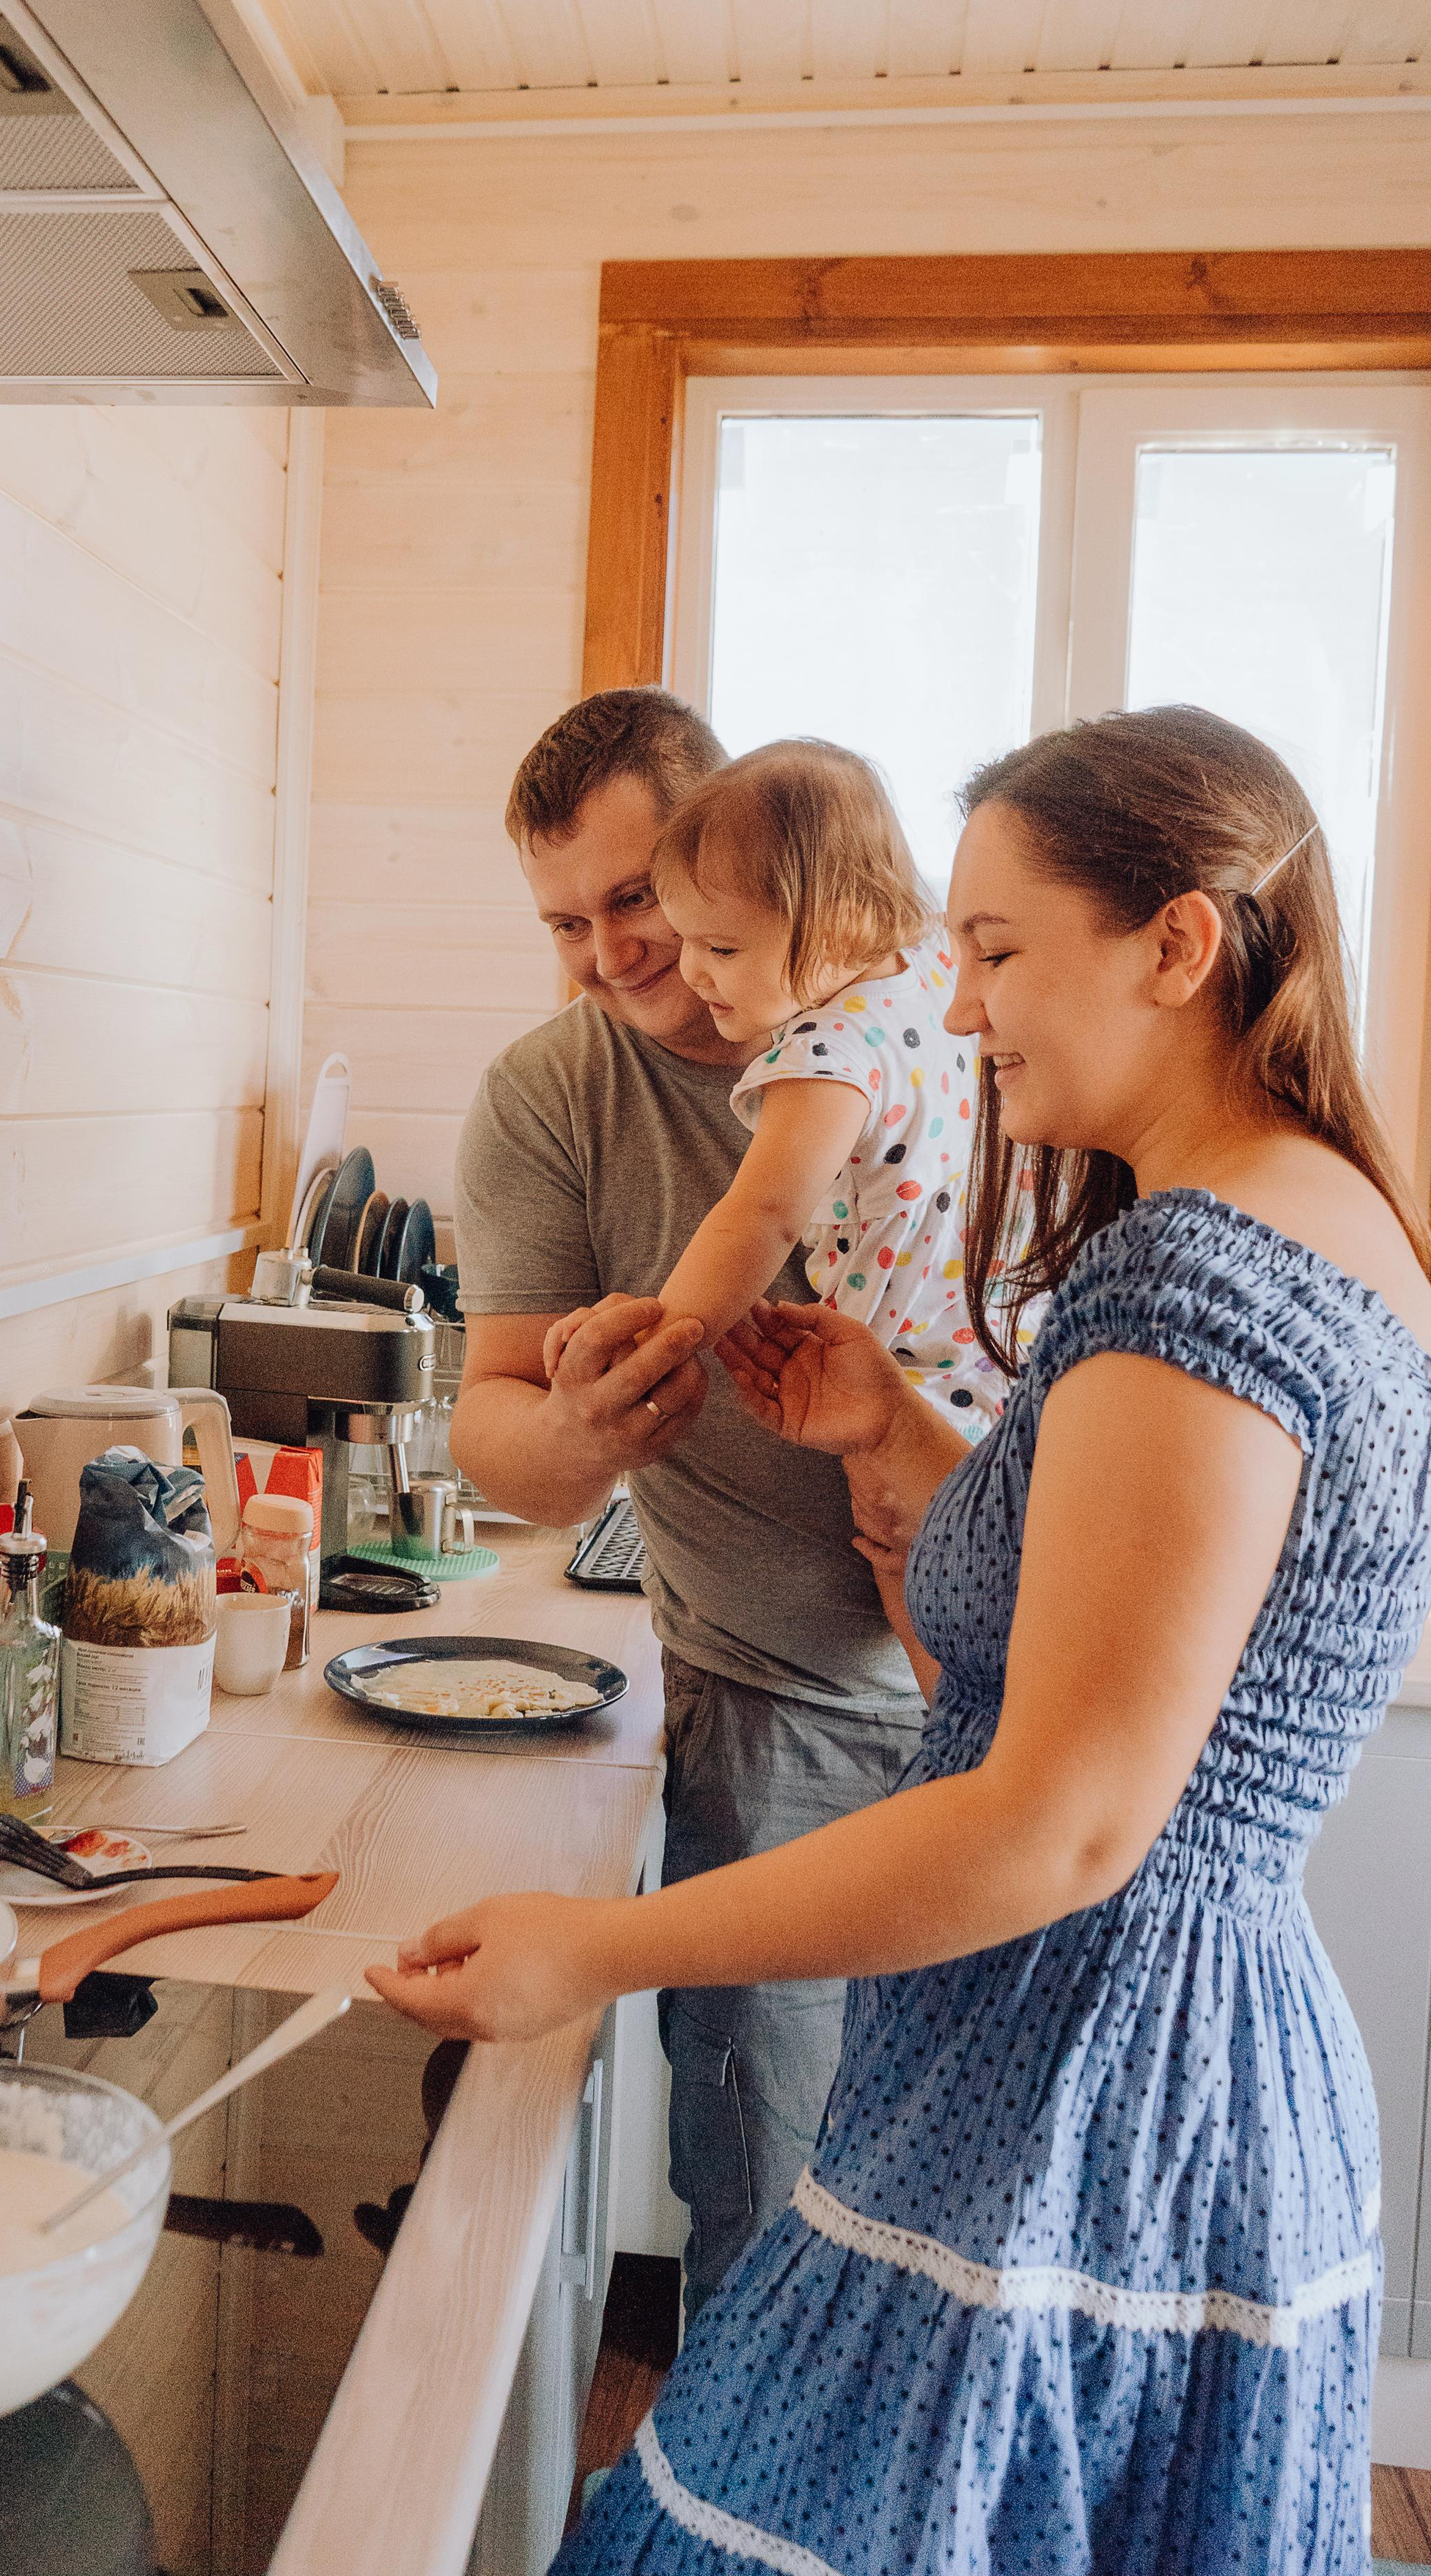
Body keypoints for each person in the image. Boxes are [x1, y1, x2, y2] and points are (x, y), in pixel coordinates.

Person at [371, 705, 1431, 2573]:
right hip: (1184, 2064)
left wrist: (590, 1951)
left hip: (1072, 2070)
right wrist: (895, 1432)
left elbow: (1061, 1825)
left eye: (998, 954)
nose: (955, 1013)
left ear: (1174, 947)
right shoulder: (1333, 1216)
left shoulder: (1191, 1275)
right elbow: (1095, 1639)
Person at [448, 687, 934, 2312]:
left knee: (969, 2225)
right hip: (766, 1717)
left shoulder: (926, 1024)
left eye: (634, 898)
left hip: (1005, 1709)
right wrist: (589, 1431)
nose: (607, 952)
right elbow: (490, 1437)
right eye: (563, 922)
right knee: (771, 2224)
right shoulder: (545, 1094)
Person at [544, 738, 1010, 1449]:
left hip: (904, 1379)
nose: (694, 973)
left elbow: (760, 1217)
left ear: (844, 923)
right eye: (688, 939)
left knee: (901, 1546)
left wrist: (661, 1336)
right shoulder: (938, 966)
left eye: (722, 950)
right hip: (995, 1349)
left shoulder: (827, 1058)